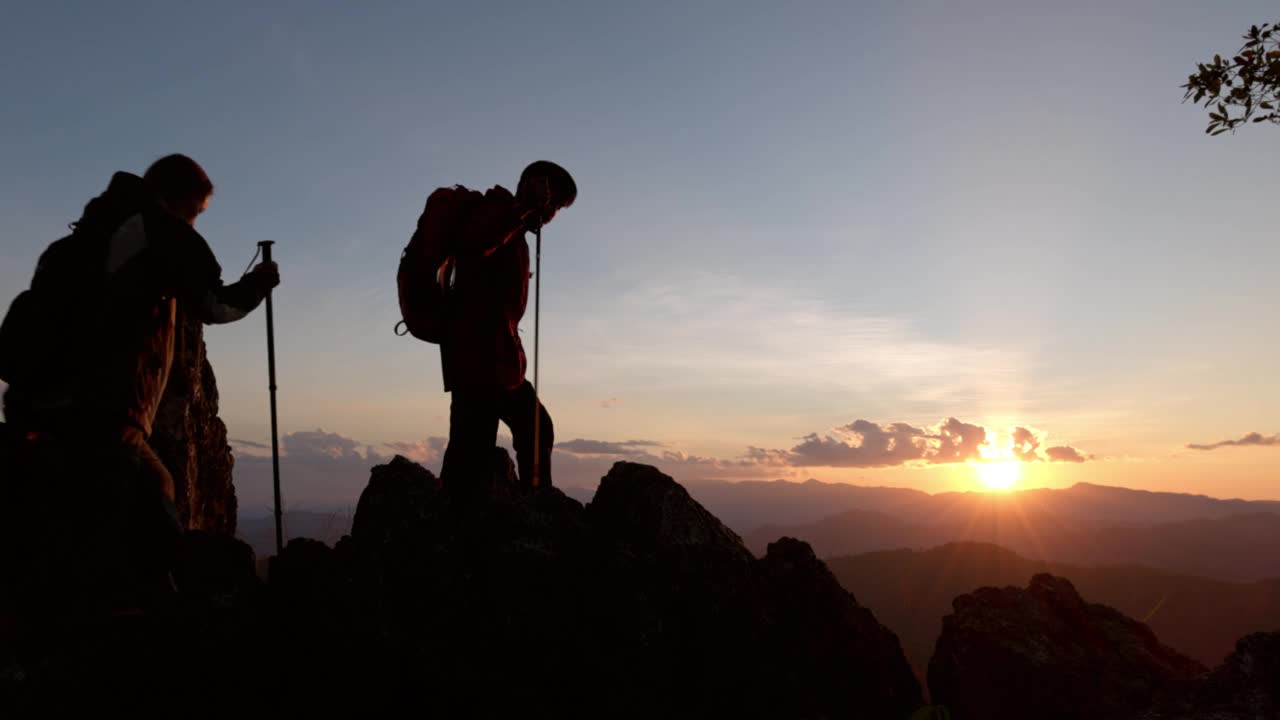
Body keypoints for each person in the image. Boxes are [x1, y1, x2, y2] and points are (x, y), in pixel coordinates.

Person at [0, 153, 279, 610]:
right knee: (147, 540)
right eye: (197, 211)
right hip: (102, 417)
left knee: (146, 495)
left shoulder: (79, 241)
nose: (195, 222)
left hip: (39, 408)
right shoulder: (158, 230)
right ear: (181, 200)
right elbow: (213, 305)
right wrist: (259, 285)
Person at [432, 161, 576, 492]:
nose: (551, 213)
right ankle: (522, 509)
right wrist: (523, 208)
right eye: (552, 203)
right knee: (474, 452)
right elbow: (473, 244)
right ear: (534, 188)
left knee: (530, 430)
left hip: (497, 363)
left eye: (556, 208)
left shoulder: (512, 229)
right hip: (479, 362)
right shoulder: (496, 212)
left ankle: (531, 505)